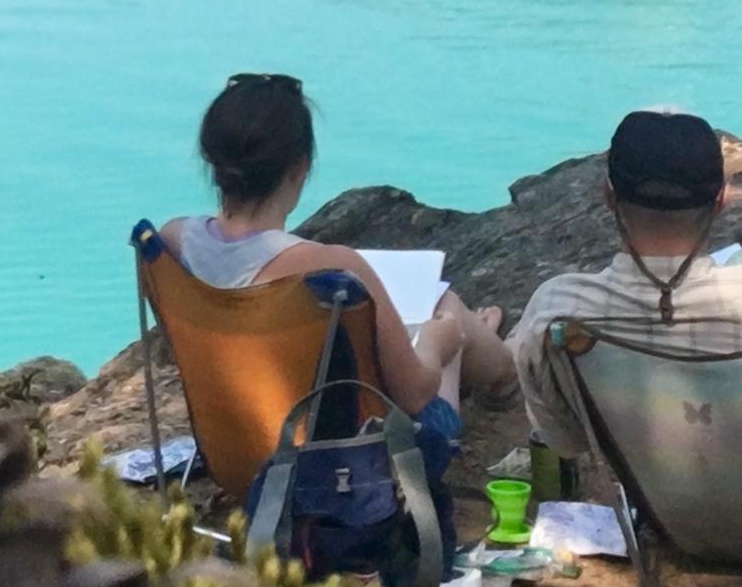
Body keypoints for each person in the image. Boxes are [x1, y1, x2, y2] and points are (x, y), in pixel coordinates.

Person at [161, 72, 519, 438]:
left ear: (212, 158)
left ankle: (485, 350)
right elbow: (413, 394)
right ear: (299, 168)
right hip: (348, 465)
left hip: (240, 442)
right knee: (446, 309)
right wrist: (439, 339)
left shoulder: (170, 243)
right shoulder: (332, 266)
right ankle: (503, 376)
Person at [512, 109, 742, 459]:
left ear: (608, 196)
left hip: (651, 508)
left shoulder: (555, 308)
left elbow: (565, 442)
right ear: (721, 198)